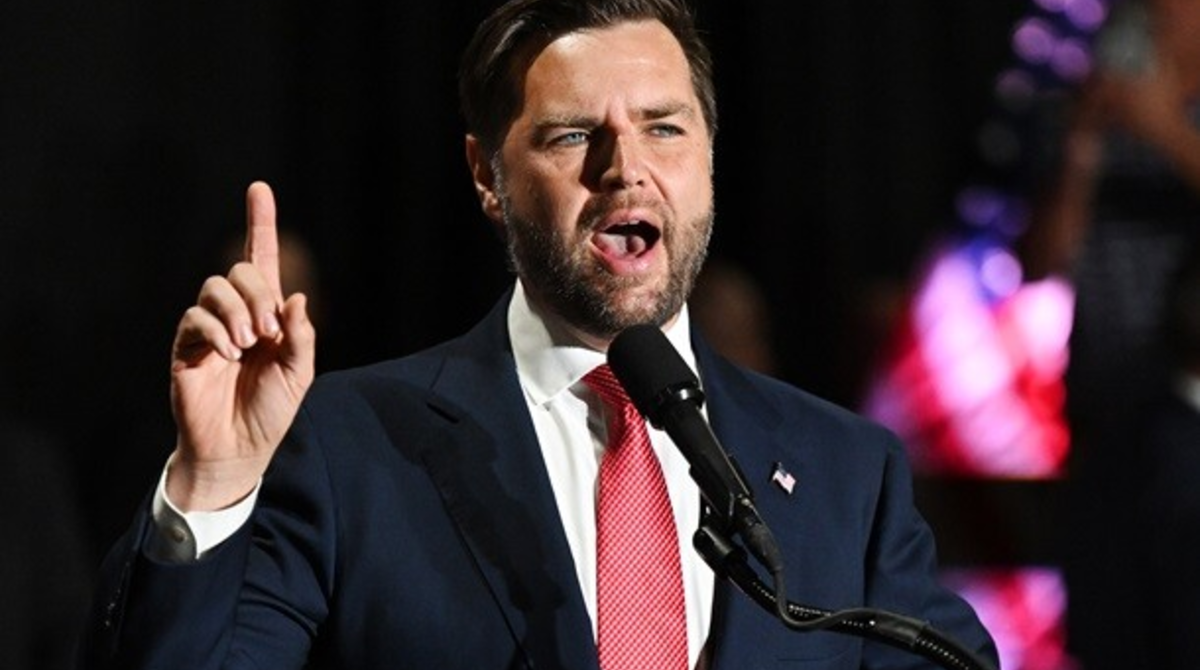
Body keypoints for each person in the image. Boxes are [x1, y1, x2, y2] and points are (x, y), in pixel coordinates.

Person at [80, 1, 996, 669]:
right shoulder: (343, 447)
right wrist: (213, 485)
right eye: (570, 137)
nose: (626, 168)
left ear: (710, 156)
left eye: (664, 129)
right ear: (487, 175)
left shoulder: (846, 473)